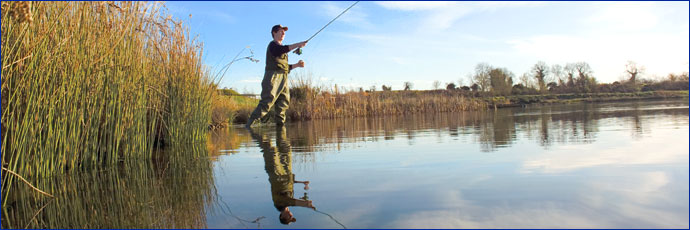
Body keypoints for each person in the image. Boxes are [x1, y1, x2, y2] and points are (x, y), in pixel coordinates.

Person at [248, 126, 315, 225]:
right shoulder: (288, 203)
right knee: (286, 147)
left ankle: (252, 130)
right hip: (287, 173)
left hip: (276, 173)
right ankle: (280, 125)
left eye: (289, 218)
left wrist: (305, 204)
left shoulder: (279, 204)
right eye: (292, 218)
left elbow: (289, 201)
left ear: (282, 216)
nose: (291, 216)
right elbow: (288, 187)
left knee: (270, 150)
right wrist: (301, 182)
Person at [246, 24, 308, 128]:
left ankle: (281, 131)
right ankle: (249, 126)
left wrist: (297, 65)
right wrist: (298, 44)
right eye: (280, 31)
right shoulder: (273, 46)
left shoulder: (283, 50)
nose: (283, 33)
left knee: (283, 104)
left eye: (284, 31)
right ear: (274, 33)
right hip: (272, 78)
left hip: (283, 78)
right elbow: (281, 50)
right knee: (266, 103)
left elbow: (284, 67)